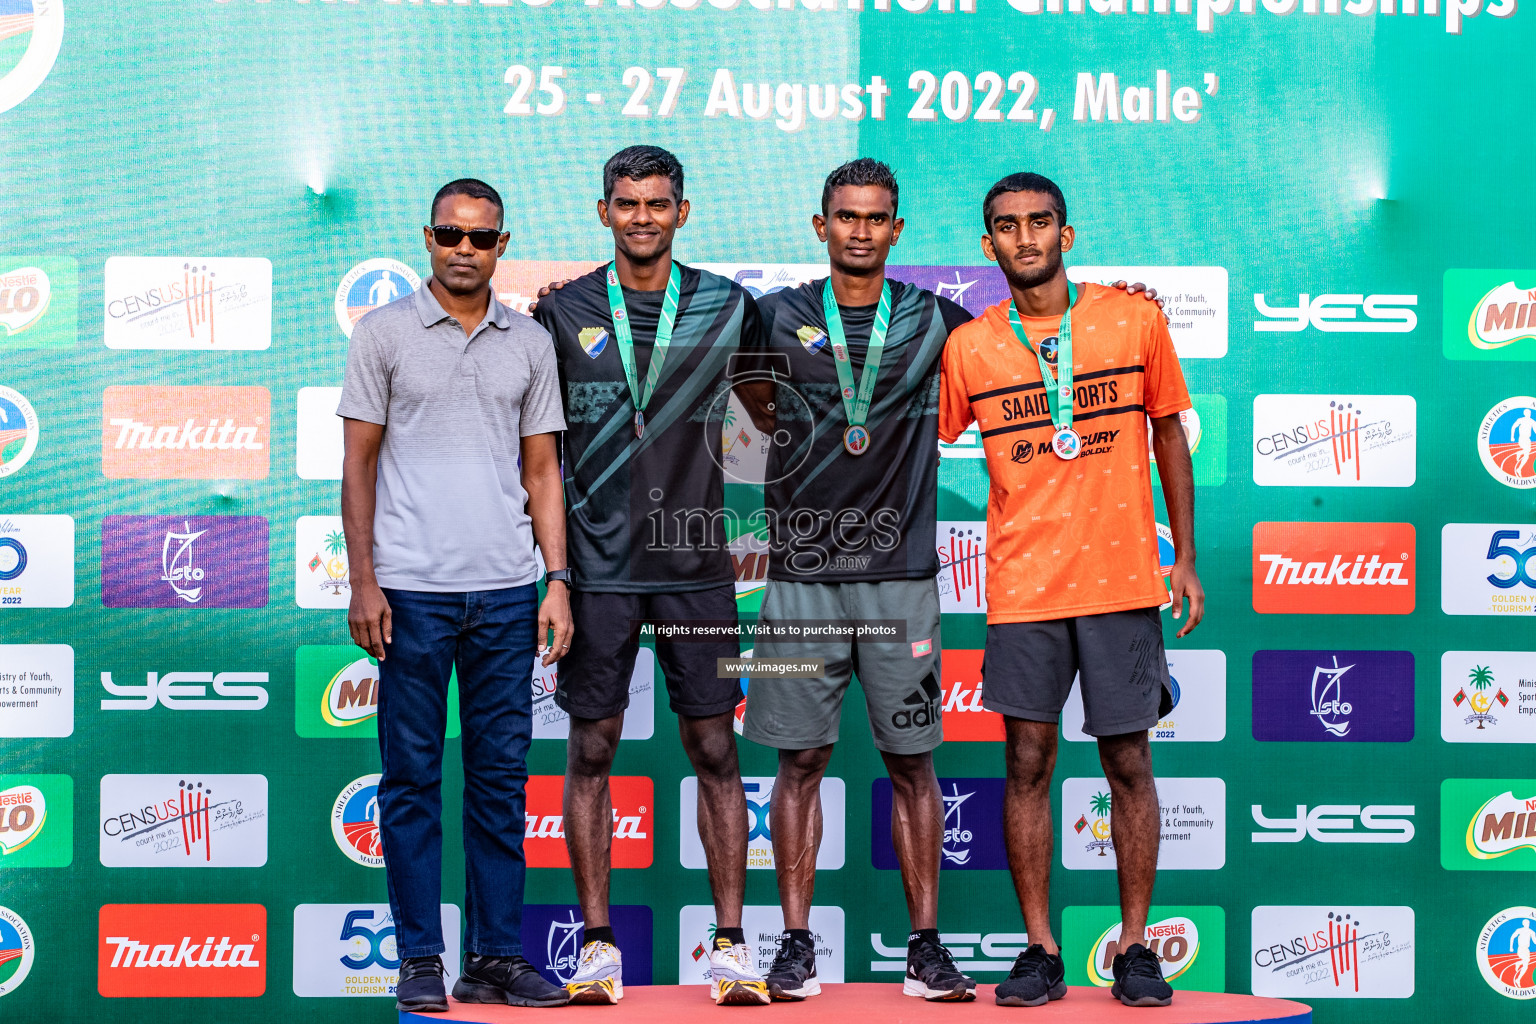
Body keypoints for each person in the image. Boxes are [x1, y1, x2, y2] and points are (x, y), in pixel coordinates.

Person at [938, 172, 1204, 1009]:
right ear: (988, 247)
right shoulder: (969, 346)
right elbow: (920, 431)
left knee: (1128, 759)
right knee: (1026, 763)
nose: (1025, 238)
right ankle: (1040, 949)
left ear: (1067, 233)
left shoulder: (1134, 318)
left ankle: (1134, 947)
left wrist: (1185, 557)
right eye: (1007, 227)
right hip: (1023, 585)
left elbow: (1169, 433)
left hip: (1124, 578)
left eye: (1040, 222)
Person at [532, 145, 770, 1006]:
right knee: (591, 748)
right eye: (626, 203)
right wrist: (553, 573)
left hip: (698, 565)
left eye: (658, 203)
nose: (642, 216)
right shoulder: (559, 313)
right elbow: (535, 454)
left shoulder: (729, 307)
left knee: (715, 747)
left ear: (683, 211)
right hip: (596, 570)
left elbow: (822, 367)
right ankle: (596, 946)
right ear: (604, 212)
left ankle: (733, 947)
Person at [742, 159, 979, 1002]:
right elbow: (674, 363)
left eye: (876, 218)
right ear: (821, 225)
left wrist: (1122, 302)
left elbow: (1035, 335)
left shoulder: (937, 322)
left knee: (911, 762)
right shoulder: (772, 318)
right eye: (846, 217)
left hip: (901, 579)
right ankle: (796, 944)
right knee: (799, 759)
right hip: (802, 579)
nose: (860, 231)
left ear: (897, 230)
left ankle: (924, 948)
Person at [339, 178, 574, 1013]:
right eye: (450, 234)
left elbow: (542, 470)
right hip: (410, 593)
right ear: (428, 238)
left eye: (481, 237)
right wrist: (364, 579)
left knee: (500, 784)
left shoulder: (529, 343)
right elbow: (358, 465)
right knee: (409, 782)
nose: (464, 249)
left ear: (501, 244)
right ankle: (420, 959)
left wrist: (556, 578)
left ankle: (496, 957)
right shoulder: (384, 333)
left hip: (509, 593)